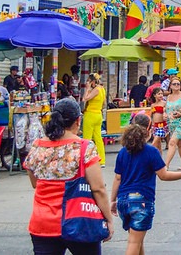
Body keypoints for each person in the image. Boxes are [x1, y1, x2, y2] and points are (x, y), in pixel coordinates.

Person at [24, 98, 114, 253]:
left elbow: (35, 183)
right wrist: (108, 219)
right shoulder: (84, 147)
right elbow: (98, 188)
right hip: (78, 221)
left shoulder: (37, 146)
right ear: (77, 121)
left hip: (43, 224)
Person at [111, 113, 181, 254]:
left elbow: (117, 179)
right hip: (142, 200)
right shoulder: (151, 151)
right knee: (134, 242)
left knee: (137, 240)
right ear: (149, 131)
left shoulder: (123, 152)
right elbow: (164, 175)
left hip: (123, 201)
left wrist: (113, 200)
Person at [82, 73, 107, 167]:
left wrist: (87, 89)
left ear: (92, 81)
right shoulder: (102, 89)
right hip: (98, 114)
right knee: (98, 138)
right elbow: (104, 103)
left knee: (87, 138)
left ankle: (85, 159)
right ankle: (102, 160)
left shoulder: (96, 89)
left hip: (90, 114)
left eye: (89, 81)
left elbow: (85, 98)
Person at [150, 88, 167, 153]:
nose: (161, 95)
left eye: (162, 94)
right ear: (154, 95)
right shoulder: (153, 105)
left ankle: (146, 155)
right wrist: (151, 126)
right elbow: (151, 116)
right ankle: (160, 161)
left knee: (154, 143)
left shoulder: (164, 103)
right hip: (155, 126)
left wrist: (165, 113)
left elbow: (166, 112)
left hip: (162, 125)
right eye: (159, 94)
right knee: (158, 145)